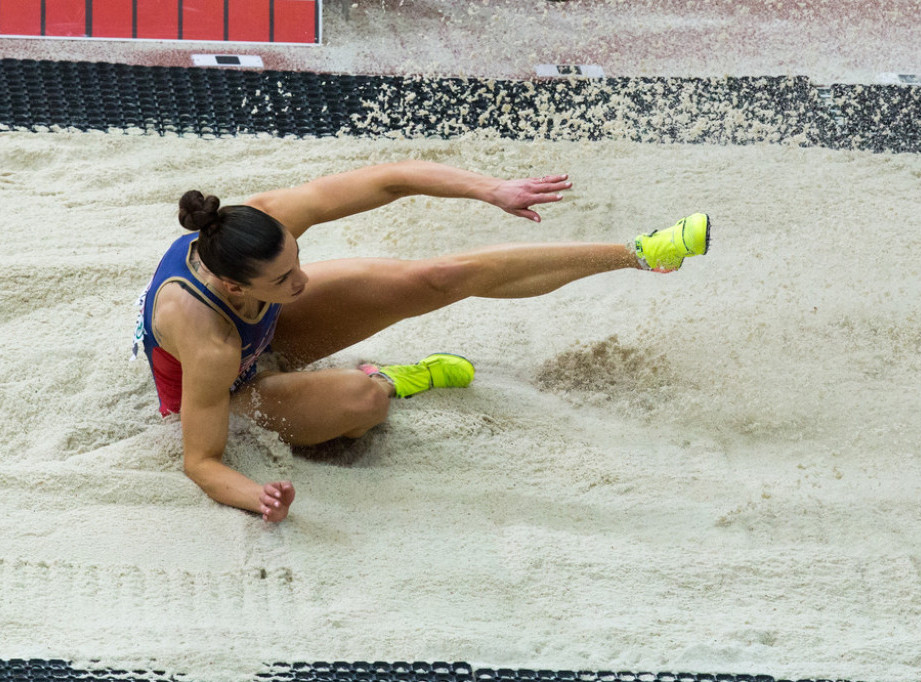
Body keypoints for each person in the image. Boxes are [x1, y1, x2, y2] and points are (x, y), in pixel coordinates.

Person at [134, 160, 710, 522]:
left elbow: (390, 179)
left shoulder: (259, 224)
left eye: (298, 261)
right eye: (286, 279)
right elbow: (202, 460)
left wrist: (492, 190)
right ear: (233, 285)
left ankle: (639, 253)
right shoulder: (206, 338)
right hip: (227, 391)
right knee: (365, 403)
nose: (303, 280)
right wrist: (258, 496)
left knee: (435, 277)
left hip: (263, 328)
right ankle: (393, 378)